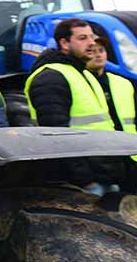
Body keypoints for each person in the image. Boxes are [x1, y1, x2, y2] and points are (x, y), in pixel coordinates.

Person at [25, 18, 130, 193]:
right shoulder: (51, 78)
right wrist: (85, 180)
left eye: (92, 37)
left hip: (103, 174)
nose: (91, 43)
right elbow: (56, 135)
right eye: (83, 38)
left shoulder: (84, 74)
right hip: (83, 182)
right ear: (64, 43)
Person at [86, 35, 137, 134]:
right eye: (92, 51)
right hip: (97, 141)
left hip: (129, 141)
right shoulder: (78, 82)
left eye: (101, 50)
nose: (98, 55)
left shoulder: (123, 83)